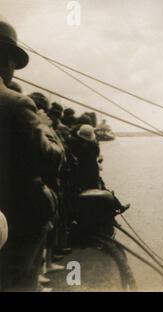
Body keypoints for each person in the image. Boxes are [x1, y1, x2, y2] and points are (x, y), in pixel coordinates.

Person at [0, 20, 64, 291]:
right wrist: (47, 129)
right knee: (19, 281)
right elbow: (50, 159)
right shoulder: (17, 104)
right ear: (7, 62)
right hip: (19, 218)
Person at [67, 124, 102, 191]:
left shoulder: (74, 143)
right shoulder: (93, 146)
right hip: (91, 172)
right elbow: (94, 157)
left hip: (79, 172)